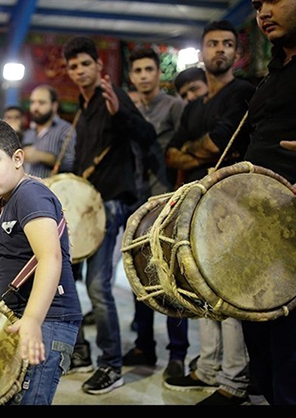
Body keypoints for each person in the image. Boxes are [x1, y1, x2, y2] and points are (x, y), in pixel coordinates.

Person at [163, 21, 256, 406]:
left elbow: (217, 144)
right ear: (202, 52)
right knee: (202, 289)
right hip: (198, 204)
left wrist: (197, 151)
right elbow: (172, 152)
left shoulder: (243, 93)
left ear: (238, 53)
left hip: (233, 205)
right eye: (213, 43)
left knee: (229, 291)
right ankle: (209, 368)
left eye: (228, 44)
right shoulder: (194, 106)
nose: (220, 49)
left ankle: (234, 382)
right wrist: (198, 152)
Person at [0, 116, 82, 405]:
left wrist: (31, 320)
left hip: (49, 318)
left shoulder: (29, 194)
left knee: (30, 400)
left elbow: (50, 258)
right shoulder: (4, 199)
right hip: (28, 315)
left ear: (18, 158)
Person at [62, 35, 156, 394]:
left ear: (99, 66)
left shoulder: (111, 97)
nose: (79, 70)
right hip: (85, 206)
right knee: (68, 282)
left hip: (112, 203)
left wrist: (121, 115)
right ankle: (80, 351)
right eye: (73, 66)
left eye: (85, 63)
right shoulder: (84, 107)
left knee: (98, 286)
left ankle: (111, 364)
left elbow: (146, 135)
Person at [239, 0, 296, 406]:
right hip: (258, 219)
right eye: (258, 5)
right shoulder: (272, 75)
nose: (264, 11)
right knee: (258, 327)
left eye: (275, 0)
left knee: (289, 338)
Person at [122, 47, 188, 380]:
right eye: (139, 70)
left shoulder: (176, 107)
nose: (145, 75)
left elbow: (183, 150)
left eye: (150, 69)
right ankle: (143, 345)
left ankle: (178, 354)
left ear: (157, 74)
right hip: (135, 200)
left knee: (173, 276)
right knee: (139, 276)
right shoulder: (127, 107)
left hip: (168, 202)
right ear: (131, 76)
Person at [21, 84, 76, 178]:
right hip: (26, 189)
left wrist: (42, 156)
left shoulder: (66, 130)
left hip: (51, 191)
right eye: (33, 102)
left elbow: (71, 164)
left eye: (41, 103)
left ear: (54, 106)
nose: (35, 108)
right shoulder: (28, 132)